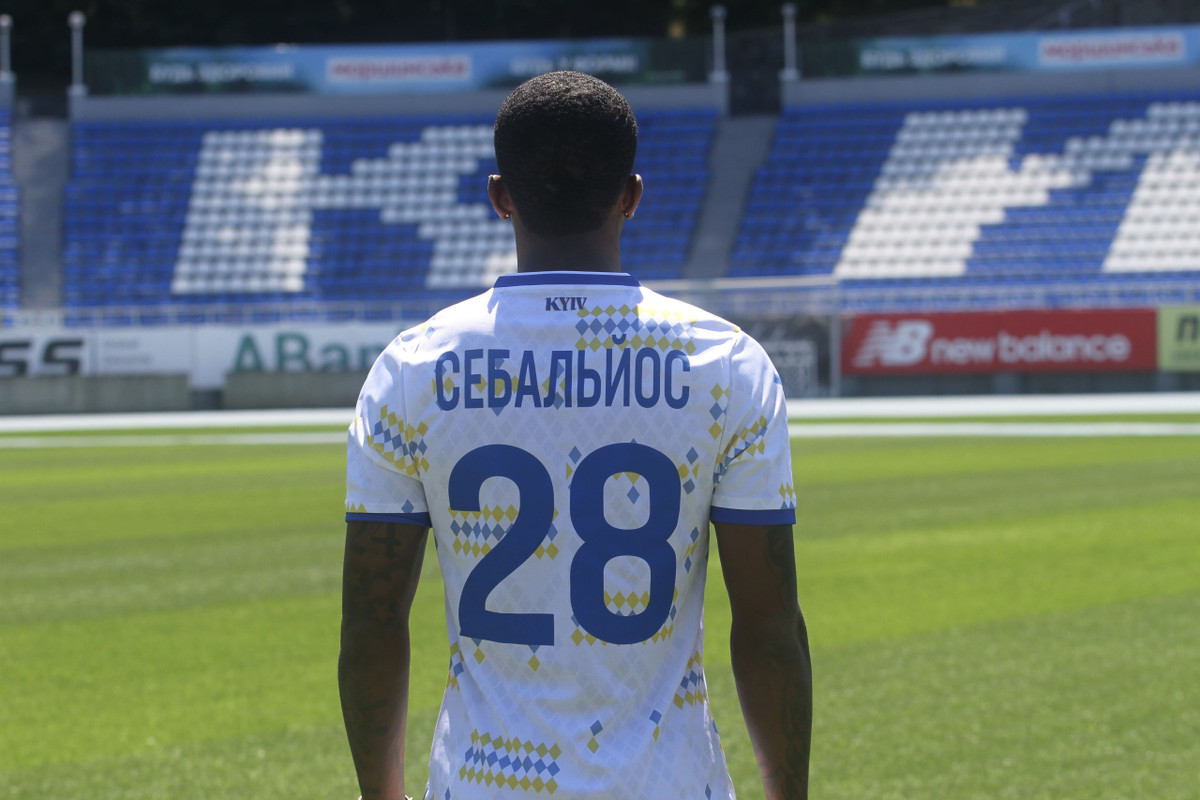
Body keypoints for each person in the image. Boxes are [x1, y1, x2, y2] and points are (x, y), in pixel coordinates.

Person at [340, 70, 811, 800]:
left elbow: (372, 625)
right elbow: (769, 624)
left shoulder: (413, 368)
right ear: (632, 195)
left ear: (500, 196)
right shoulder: (726, 364)